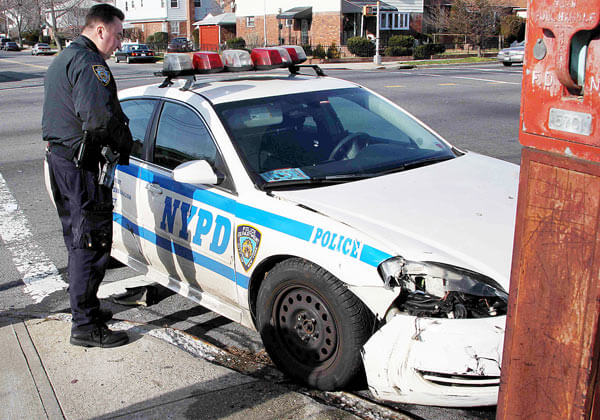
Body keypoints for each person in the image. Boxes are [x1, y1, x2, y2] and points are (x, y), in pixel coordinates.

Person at [42, 4, 133, 348]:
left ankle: (87, 307)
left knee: (77, 238)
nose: (120, 42)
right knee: (91, 242)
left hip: (61, 161)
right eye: (118, 33)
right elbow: (98, 121)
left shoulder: (65, 58)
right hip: (80, 167)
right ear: (99, 31)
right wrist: (124, 142)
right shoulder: (91, 64)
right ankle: (85, 325)